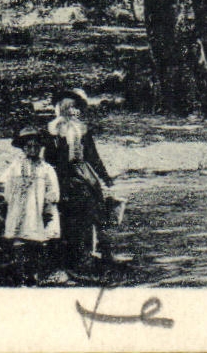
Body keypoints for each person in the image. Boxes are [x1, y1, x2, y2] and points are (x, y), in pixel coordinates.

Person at [46, 90, 120, 275]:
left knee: (91, 207)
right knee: (64, 215)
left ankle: (90, 254)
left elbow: (93, 156)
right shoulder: (52, 130)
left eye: (74, 107)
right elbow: (47, 158)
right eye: (66, 107)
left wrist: (104, 177)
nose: (71, 111)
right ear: (59, 109)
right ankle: (64, 258)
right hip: (59, 174)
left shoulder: (82, 130)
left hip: (81, 171)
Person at [0, 126, 61, 286]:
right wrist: (11, 202)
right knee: (19, 238)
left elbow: (53, 190)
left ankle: (35, 275)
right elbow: (6, 186)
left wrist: (49, 202)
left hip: (38, 209)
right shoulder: (15, 167)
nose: (32, 149)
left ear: (40, 148)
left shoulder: (46, 168)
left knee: (37, 240)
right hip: (19, 209)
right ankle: (20, 274)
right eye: (28, 146)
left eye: (36, 146)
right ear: (23, 147)